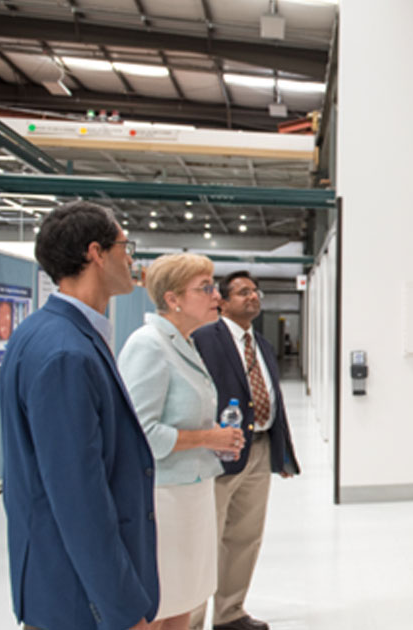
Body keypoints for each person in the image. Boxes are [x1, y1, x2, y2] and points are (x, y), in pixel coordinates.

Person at [0, 201, 157, 630]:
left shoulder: (44, 332)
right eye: (126, 245)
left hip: (65, 587)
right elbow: (79, 500)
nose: (131, 258)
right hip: (79, 599)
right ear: (96, 253)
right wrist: (121, 609)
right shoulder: (66, 354)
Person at [118, 254, 246, 630]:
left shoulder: (185, 343)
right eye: (204, 288)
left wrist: (215, 441)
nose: (216, 296)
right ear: (173, 298)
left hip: (190, 492)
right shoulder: (148, 345)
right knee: (161, 603)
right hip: (162, 499)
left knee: (185, 600)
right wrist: (210, 437)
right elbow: (140, 433)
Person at [189, 271, 301, 630]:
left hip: (260, 449)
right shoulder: (204, 339)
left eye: (255, 291)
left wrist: (282, 453)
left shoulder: (262, 344)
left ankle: (230, 613)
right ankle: (190, 620)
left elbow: (273, 400)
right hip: (220, 455)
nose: (252, 297)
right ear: (222, 300)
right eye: (242, 292)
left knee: (245, 537)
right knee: (207, 540)